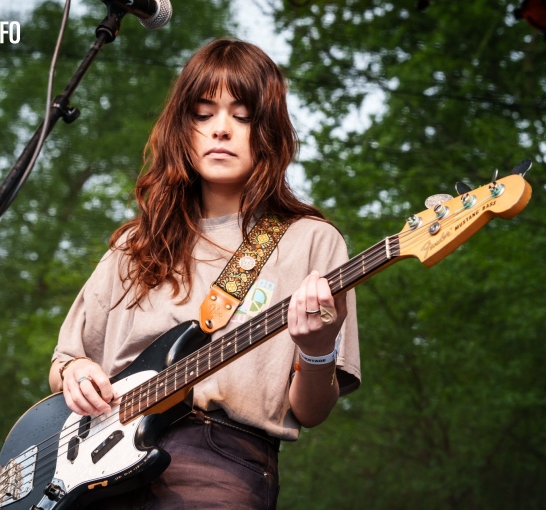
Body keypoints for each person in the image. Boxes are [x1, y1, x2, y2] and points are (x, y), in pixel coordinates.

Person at [49, 37, 360, 509]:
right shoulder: (132, 246)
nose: (221, 130)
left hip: (219, 462)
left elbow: (311, 412)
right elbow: (64, 361)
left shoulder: (311, 241)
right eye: (203, 113)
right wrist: (74, 372)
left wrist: (317, 351)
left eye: (242, 116)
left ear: (270, 132)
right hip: (96, 464)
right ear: (183, 128)